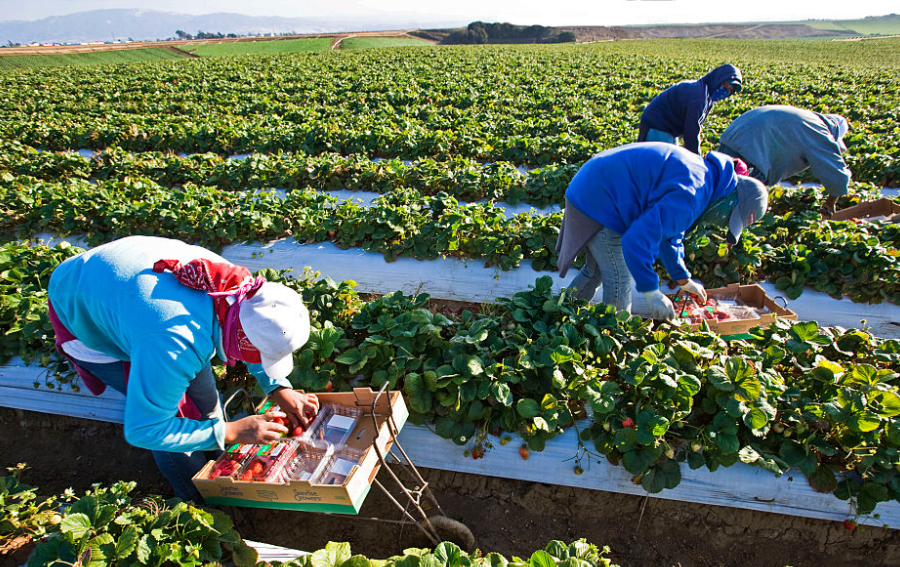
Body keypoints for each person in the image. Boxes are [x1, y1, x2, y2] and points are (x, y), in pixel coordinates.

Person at [47, 235, 319, 502]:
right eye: (262, 355)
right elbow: (145, 429)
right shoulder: (174, 341)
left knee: (204, 398)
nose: (262, 359)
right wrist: (230, 432)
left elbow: (251, 335)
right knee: (170, 415)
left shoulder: (237, 291)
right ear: (240, 335)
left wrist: (278, 387)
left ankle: (217, 461)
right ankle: (194, 496)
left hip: (128, 294)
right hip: (80, 302)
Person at [555, 142, 768, 321]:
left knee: (596, 271)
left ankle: (561, 314)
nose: (722, 224)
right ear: (731, 200)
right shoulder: (693, 193)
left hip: (592, 185)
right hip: (600, 198)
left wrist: (683, 280)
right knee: (620, 278)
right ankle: (614, 336)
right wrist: (651, 292)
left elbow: (670, 234)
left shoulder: (704, 179)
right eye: (728, 217)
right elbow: (635, 240)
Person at [717, 105, 851, 215]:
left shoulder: (806, 117)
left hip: (733, 136)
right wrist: (831, 202)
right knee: (740, 198)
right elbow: (837, 174)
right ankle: (726, 231)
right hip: (752, 150)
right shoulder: (819, 130)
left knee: (719, 182)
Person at [638, 64, 743, 155]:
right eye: (724, 85)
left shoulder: (705, 94)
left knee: (672, 162)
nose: (725, 91)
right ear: (717, 79)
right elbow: (691, 129)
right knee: (661, 166)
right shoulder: (699, 96)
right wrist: (696, 158)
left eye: (729, 89)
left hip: (667, 128)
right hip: (657, 126)